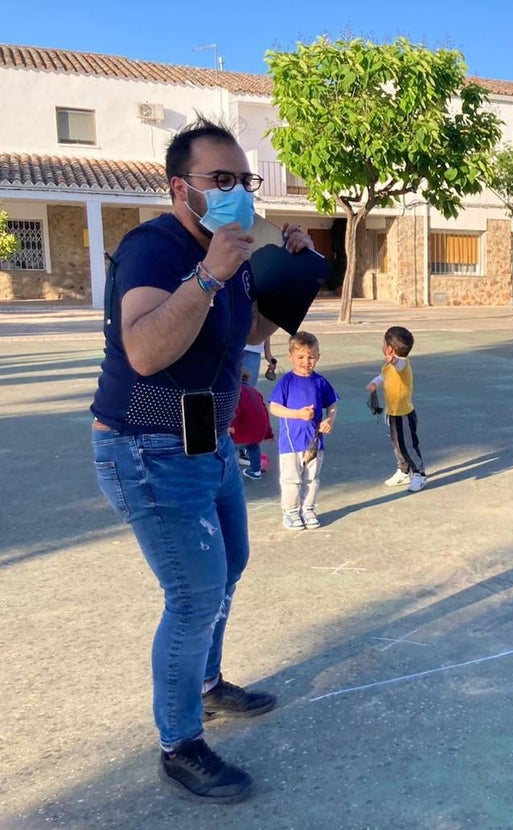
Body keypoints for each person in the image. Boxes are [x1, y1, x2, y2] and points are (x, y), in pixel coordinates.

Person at [90, 116, 315, 802]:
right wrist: (209, 273)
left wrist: (288, 279)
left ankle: (209, 685)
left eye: (243, 180)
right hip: (147, 448)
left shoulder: (234, 253)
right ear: (178, 188)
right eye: (219, 180)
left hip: (207, 442)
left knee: (229, 569)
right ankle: (179, 743)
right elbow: (146, 350)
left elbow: (244, 332)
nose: (237, 192)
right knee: (192, 595)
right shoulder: (152, 250)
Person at [269, 331, 339, 529]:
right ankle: (291, 512)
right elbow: (274, 407)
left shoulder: (320, 382)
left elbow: (332, 403)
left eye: (311, 357)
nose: (306, 361)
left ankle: (308, 509)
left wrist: (329, 420)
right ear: (291, 357)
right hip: (291, 444)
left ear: (318, 357)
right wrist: (297, 414)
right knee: (291, 479)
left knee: (311, 478)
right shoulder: (286, 381)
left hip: (315, 442)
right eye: (300, 357)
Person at [366, 325, 426, 493]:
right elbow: (383, 376)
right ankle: (404, 471)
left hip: (404, 414)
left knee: (408, 445)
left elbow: (399, 365)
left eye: (384, 342)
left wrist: (394, 360)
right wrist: (374, 383)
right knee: (397, 444)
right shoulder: (387, 365)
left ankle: (420, 474)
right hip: (392, 413)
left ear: (389, 348)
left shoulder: (403, 363)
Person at [238, 336, 275, 467]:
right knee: (229, 394)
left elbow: (266, 319)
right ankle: (227, 445)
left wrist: (268, 352)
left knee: (247, 398)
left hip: (254, 349)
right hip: (233, 343)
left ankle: (243, 448)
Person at [230, 369, 273, 480]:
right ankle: (255, 470)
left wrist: (230, 426)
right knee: (253, 447)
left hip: (241, 431)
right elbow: (264, 412)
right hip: (258, 431)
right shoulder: (254, 391)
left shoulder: (234, 392)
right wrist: (268, 433)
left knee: (228, 450)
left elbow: (235, 411)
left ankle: (226, 473)